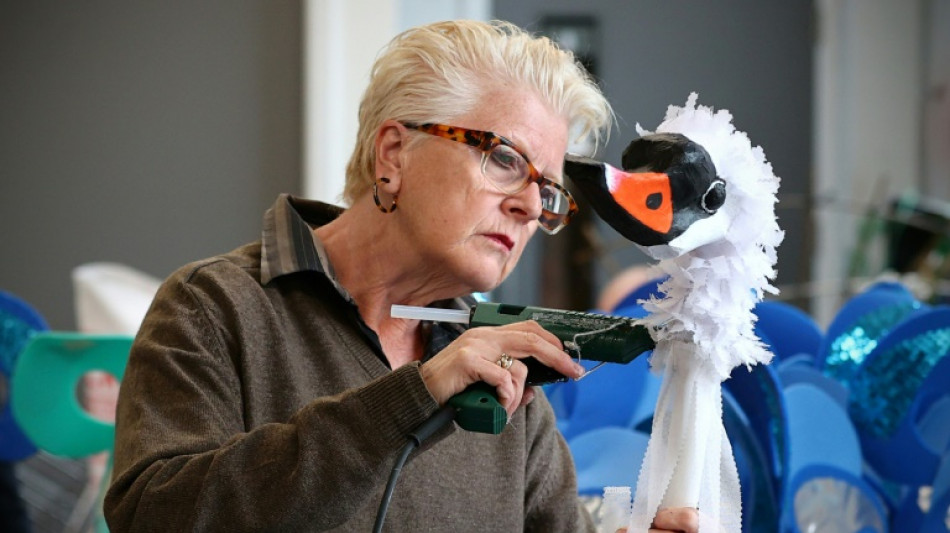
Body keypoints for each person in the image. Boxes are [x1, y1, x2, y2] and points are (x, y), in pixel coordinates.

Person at [104, 19, 698, 532]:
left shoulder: (507, 370)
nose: (526, 205)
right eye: (504, 159)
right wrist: (413, 396)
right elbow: (152, 518)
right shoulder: (216, 306)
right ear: (393, 154)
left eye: (546, 190)